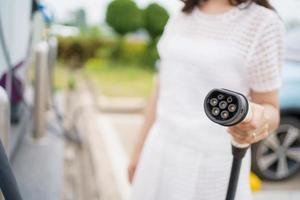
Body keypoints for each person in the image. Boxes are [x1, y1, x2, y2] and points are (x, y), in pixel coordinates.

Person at [129, 0, 285, 199]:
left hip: (213, 165)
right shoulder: (181, 15)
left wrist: (255, 122)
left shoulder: (264, 23)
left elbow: (270, 108)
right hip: (159, 150)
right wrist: (138, 149)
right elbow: (161, 86)